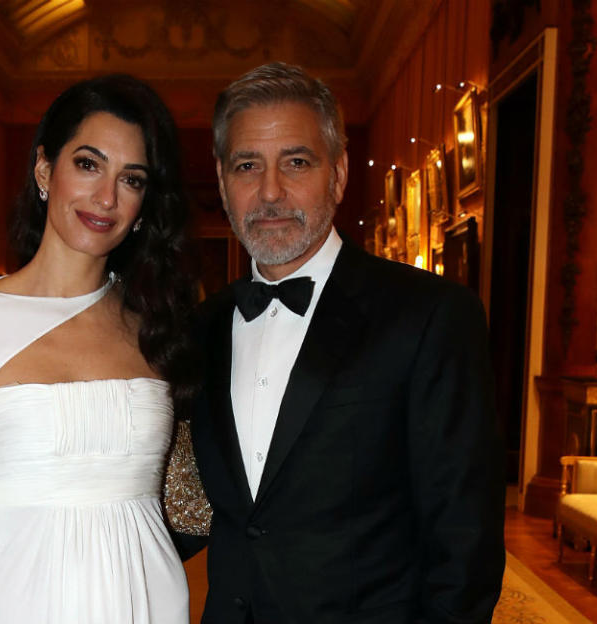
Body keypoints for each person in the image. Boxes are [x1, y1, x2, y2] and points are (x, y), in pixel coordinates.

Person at [176, 62, 505, 623]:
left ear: (340, 172)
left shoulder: (429, 316)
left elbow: (464, 539)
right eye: (247, 165)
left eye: (297, 162)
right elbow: (193, 506)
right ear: (222, 179)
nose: (271, 191)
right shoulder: (199, 329)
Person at [0, 74, 198, 623]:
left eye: (131, 179)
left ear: (145, 202)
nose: (107, 197)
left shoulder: (160, 324)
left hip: (151, 601)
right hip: (24, 604)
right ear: (45, 169)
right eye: (88, 165)